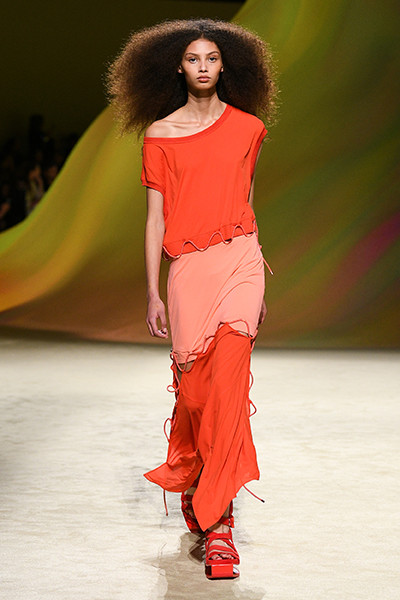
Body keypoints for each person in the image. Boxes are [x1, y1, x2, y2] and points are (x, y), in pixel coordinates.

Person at [106, 17, 277, 580]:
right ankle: (198, 477)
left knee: (229, 388)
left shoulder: (249, 128)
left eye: (212, 58)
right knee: (198, 394)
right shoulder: (159, 134)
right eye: (192, 59)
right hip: (189, 270)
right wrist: (151, 290)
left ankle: (220, 524)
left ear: (226, 66)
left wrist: (257, 280)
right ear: (177, 68)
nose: (203, 67)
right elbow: (155, 218)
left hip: (241, 261)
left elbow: (246, 199)